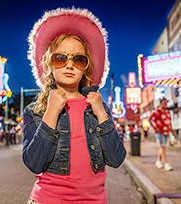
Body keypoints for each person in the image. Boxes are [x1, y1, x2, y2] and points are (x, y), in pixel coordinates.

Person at [22, 8, 126, 204]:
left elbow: (116, 159)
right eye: (60, 58)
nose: (69, 65)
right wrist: (52, 111)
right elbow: (34, 163)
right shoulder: (35, 111)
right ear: (49, 64)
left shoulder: (98, 107)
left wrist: (101, 114)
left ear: (86, 67)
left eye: (78, 59)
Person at [149, 97, 174, 171]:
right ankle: (167, 163)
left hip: (167, 131)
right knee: (163, 147)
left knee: (163, 147)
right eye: (164, 102)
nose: (165, 104)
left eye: (166, 102)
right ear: (160, 103)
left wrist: (172, 131)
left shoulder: (167, 112)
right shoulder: (156, 111)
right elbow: (150, 119)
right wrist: (154, 127)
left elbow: (169, 122)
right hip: (159, 132)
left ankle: (158, 161)